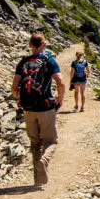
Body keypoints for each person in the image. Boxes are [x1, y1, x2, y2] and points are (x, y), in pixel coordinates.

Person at [12, 32, 64, 187]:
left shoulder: (23, 62)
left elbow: (14, 87)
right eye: (45, 43)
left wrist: (19, 100)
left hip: (28, 109)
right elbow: (60, 82)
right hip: (45, 107)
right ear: (42, 45)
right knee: (51, 141)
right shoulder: (49, 61)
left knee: (34, 143)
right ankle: (44, 160)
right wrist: (60, 99)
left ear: (30, 45)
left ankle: (38, 179)